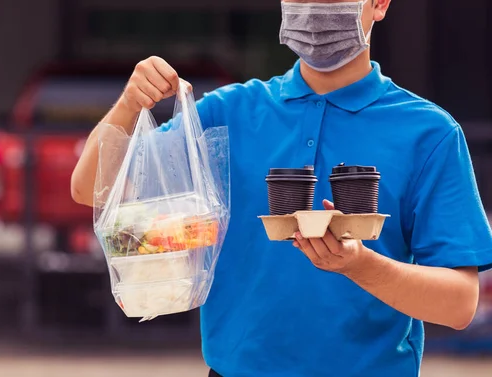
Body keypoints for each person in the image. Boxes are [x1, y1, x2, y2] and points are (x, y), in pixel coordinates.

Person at [71, 0, 492, 376]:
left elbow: (458, 305)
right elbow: (91, 190)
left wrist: (359, 265)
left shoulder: (429, 133)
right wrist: (129, 105)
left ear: (379, 4)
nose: (313, 7)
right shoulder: (227, 114)